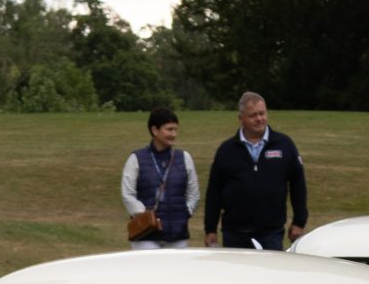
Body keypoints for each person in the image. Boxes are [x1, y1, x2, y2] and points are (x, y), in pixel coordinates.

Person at [203, 92, 308, 250]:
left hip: (271, 233)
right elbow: (214, 192)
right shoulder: (226, 150)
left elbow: (298, 185)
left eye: (262, 113)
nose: (259, 119)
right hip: (235, 234)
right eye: (253, 115)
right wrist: (210, 229)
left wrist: (299, 221)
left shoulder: (284, 145)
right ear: (241, 118)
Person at [121, 108, 201, 248]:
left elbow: (194, 194)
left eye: (175, 129)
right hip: (146, 235)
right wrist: (146, 216)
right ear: (155, 130)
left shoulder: (185, 158)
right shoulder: (136, 159)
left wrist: (184, 214)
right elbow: (127, 194)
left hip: (178, 236)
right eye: (169, 129)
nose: (174, 134)